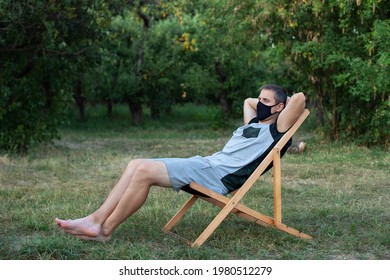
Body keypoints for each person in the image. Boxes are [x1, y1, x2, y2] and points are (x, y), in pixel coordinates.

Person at [55, 84, 306, 242]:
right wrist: (265, 101)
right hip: (206, 164)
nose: (259, 104)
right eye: (260, 100)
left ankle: (103, 228)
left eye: (266, 102)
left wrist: (280, 106)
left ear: (280, 108)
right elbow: (247, 102)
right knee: (135, 163)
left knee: (143, 171)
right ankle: (96, 221)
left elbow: (300, 99)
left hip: (217, 177)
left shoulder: (277, 130)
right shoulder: (252, 123)